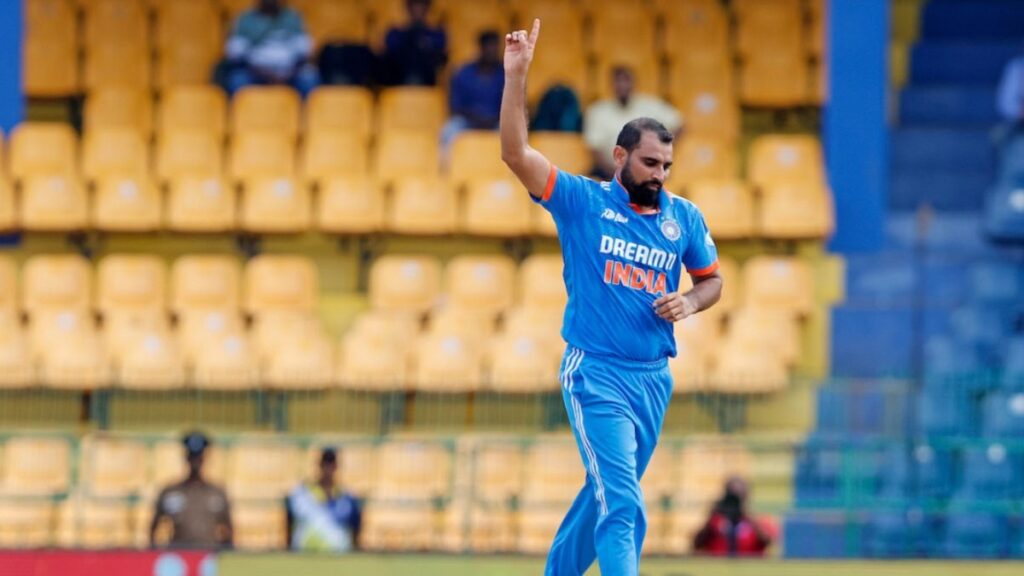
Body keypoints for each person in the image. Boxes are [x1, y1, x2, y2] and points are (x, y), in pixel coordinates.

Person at [500, 20, 723, 576]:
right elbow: (515, 153)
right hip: (596, 372)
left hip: (653, 379)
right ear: (619, 156)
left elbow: (712, 281)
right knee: (622, 501)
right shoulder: (582, 201)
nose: (660, 175)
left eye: (667, 166)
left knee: (601, 496)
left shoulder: (683, 217)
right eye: (650, 163)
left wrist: (691, 302)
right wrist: (517, 75)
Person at [584, 67, 683, 180]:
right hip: (609, 172)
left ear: (634, 83)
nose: (622, 85)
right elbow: (595, 150)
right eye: (618, 81)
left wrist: (663, 151)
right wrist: (617, 174)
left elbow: (679, 124)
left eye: (626, 81)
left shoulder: (650, 105)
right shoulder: (597, 111)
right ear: (611, 85)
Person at [150, 432, 233, 550]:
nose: (195, 463)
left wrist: (224, 553)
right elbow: (154, 528)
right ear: (186, 458)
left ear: (204, 459)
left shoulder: (217, 493)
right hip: (178, 554)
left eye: (198, 458)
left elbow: (228, 530)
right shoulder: (171, 492)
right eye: (192, 457)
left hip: (208, 554)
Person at [221, 0, 319, 97]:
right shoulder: (246, 19)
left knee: (308, 76)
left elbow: (305, 51)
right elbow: (236, 53)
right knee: (238, 79)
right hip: (255, 72)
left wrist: (290, 73)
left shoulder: (292, 18)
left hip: (289, 72)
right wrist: (261, 73)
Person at [286, 447, 363, 553]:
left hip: (337, 555)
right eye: (325, 464)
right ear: (320, 465)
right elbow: (289, 522)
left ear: (336, 467)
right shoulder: (302, 494)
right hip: (305, 553)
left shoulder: (347, 498)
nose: (328, 469)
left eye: (331, 464)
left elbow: (356, 527)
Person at [441, 31, 505, 149]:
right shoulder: (464, 73)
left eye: (495, 46)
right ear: (481, 47)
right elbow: (455, 107)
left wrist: (491, 119)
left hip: (495, 123)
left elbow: (512, 108)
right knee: (448, 130)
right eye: (489, 46)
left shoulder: (505, 74)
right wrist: (477, 118)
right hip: (467, 121)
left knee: (511, 135)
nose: (492, 50)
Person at [692, 477, 773, 557]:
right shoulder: (716, 521)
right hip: (719, 563)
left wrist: (747, 517)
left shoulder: (757, 521)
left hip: (748, 563)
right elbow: (697, 544)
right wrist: (712, 517)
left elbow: (767, 541)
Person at [380, 0, 447, 86]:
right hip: (399, 80)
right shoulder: (395, 33)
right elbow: (389, 54)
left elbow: (440, 58)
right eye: (414, 5)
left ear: (427, 8)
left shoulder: (436, 35)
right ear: (408, 8)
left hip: (426, 81)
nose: (418, 9)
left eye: (421, 5)